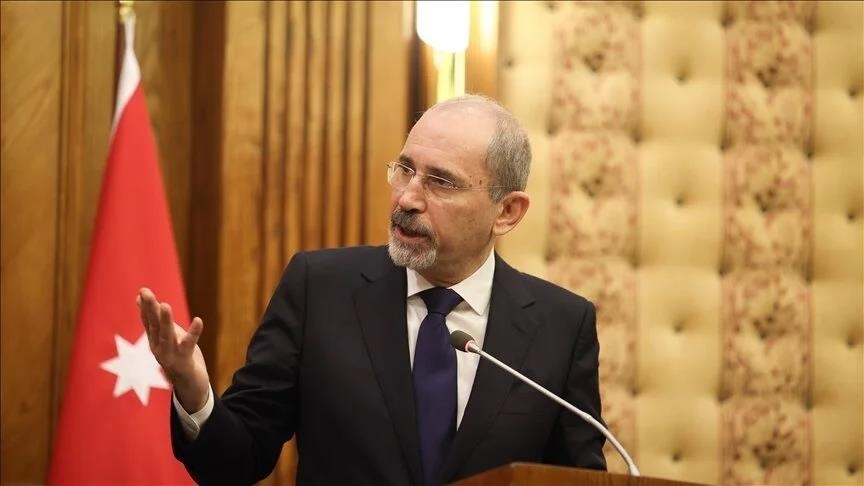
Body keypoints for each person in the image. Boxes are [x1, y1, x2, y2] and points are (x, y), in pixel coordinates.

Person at [138, 95, 607, 485]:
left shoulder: (562, 326)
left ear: (506, 212)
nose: (407, 198)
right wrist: (195, 392)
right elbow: (236, 461)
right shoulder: (319, 289)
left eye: (440, 182)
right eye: (405, 169)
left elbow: (578, 477)